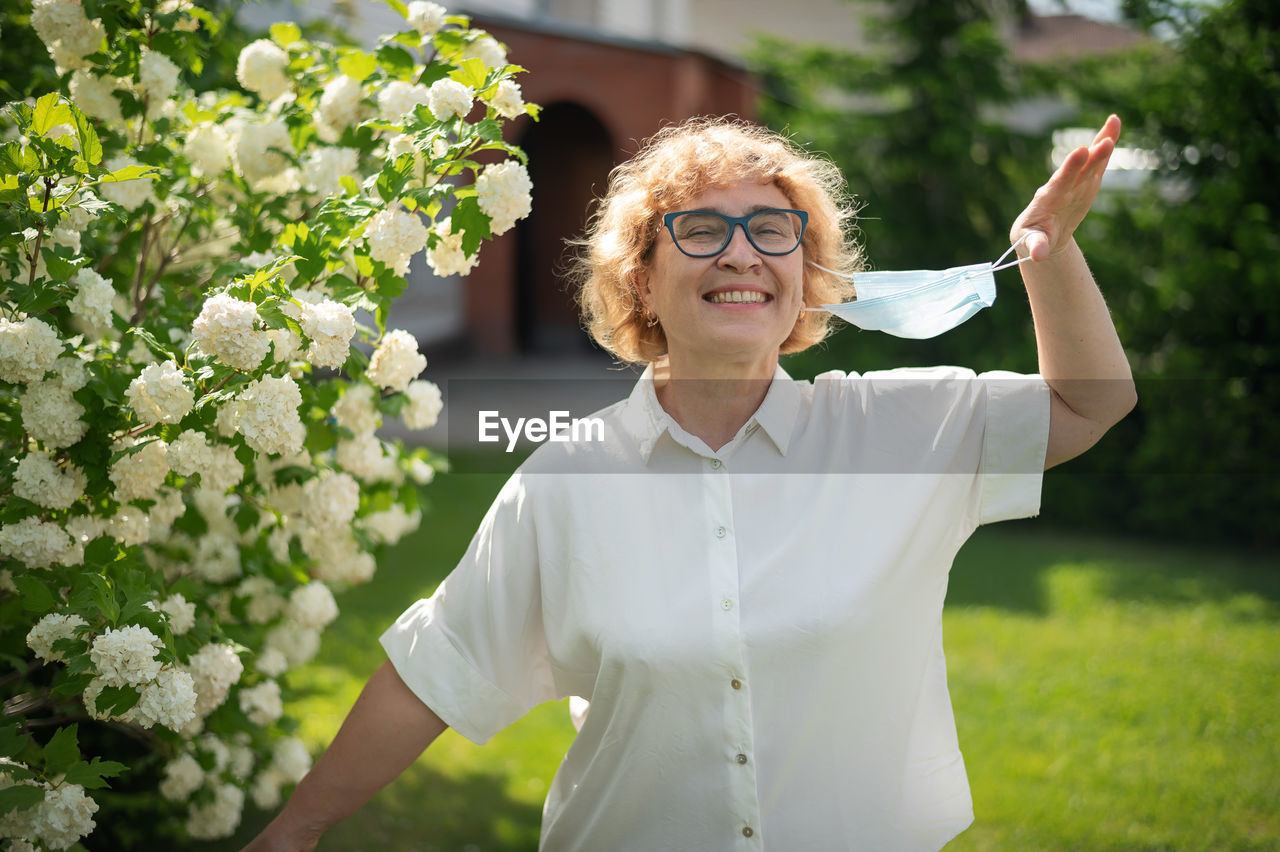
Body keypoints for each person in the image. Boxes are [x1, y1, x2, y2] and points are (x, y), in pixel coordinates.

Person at [244, 115, 1135, 851]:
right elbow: (437, 671)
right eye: (702, 231)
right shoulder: (567, 478)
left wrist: (1046, 249)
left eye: (773, 231)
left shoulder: (894, 430)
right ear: (643, 279)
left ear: (806, 278)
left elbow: (1090, 405)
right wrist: (294, 832)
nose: (743, 254)